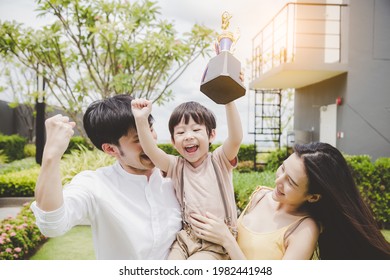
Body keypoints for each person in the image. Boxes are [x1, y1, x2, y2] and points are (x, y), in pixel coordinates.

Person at [30, 94, 182, 260]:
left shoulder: (177, 175)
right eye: (139, 138)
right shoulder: (95, 185)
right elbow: (52, 225)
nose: (150, 141)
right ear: (111, 149)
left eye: (150, 129)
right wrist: (51, 155)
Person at [190, 142, 390, 260]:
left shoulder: (304, 229)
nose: (278, 181)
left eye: (291, 182)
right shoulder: (260, 196)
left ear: (313, 197)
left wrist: (227, 240)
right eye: (283, 168)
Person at [131, 98, 243, 260]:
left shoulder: (219, 160)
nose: (188, 136)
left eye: (196, 130)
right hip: (185, 239)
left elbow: (235, 138)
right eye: (181, 132)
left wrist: (228, 100)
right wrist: (141, 120)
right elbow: (151, 151)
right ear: (173, 141)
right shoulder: (176, 166)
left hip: (215, 243)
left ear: (211, 135)